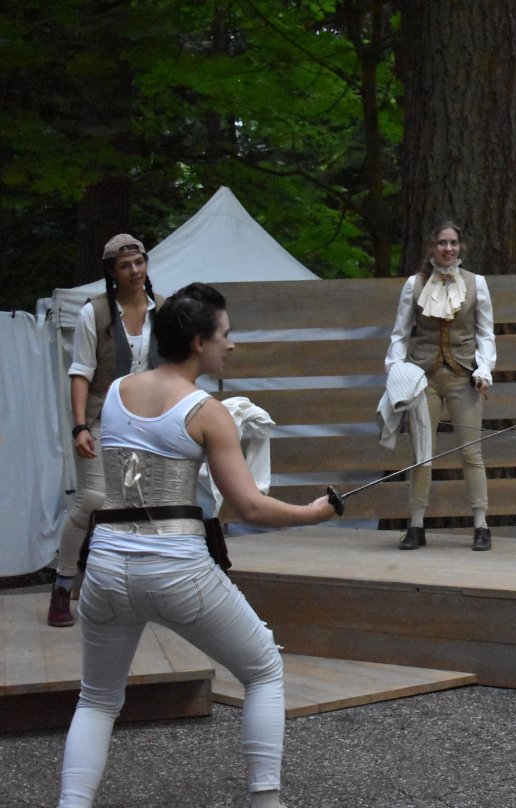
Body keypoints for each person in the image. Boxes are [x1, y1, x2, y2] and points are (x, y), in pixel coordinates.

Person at [57, 283, 336, 808]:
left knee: (96, 700)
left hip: (106, 567)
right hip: (175, 568)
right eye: (225, 335)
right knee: (263, 670)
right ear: (196, 343)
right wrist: (313, 513)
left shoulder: (116, 393)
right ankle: (266, 802)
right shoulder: (208, 412)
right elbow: (251, 507)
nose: (231, 345)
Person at [48, 234, 164, 627]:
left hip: (146, 420)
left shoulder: (162, 310)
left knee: (142, 504)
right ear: (112, 273)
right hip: (101, 417)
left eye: (139, 263)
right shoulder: (94, 312)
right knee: (93, 498)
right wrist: (80, 426)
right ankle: (63, 586)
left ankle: (134, 593)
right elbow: (80, 373)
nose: (134, 271)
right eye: (125, 266)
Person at [385, 219, 496, 551]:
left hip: (463, 376)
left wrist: (484, 369)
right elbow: (400, 334)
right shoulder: (414, 284)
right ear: (432, 246)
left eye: (453, 243)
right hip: (425, 378)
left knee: (471, 453)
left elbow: (485, 333)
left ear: (460, 246)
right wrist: (396, 371)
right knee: (422, 454)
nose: (448, 249)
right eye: (442, 243)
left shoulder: (477, 284)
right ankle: (416, 525)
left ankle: (481, 525)